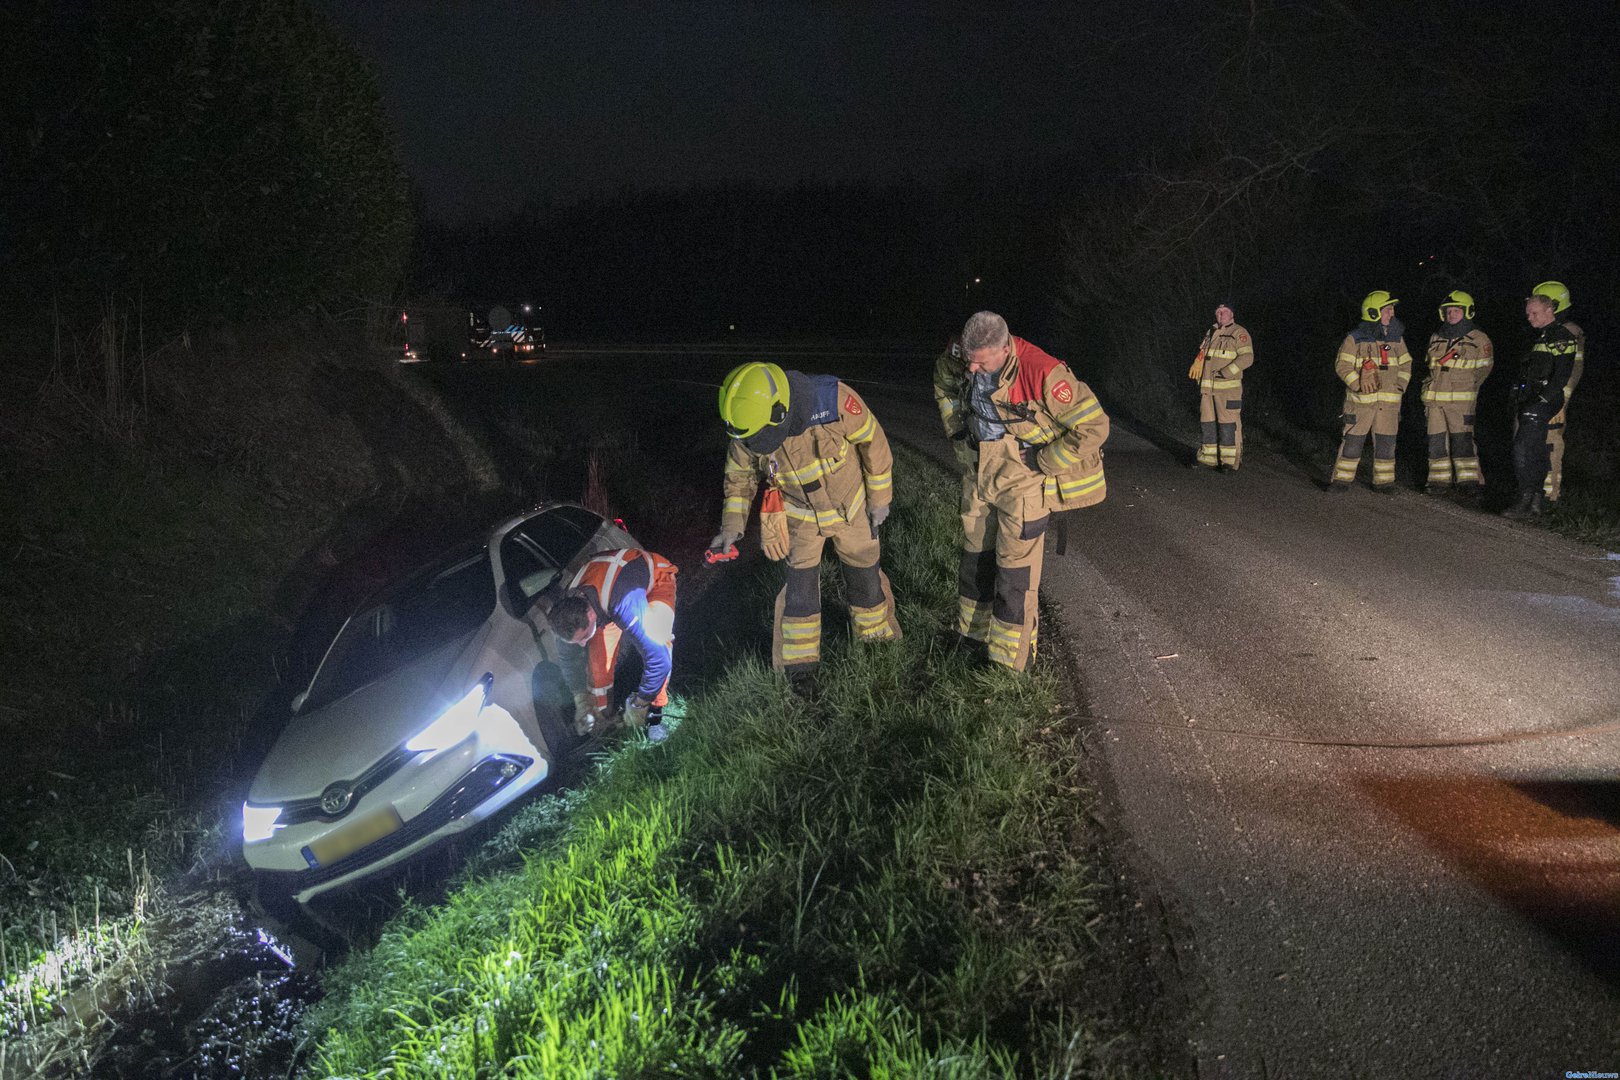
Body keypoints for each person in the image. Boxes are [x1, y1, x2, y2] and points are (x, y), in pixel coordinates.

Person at [711, 362, 900, 689]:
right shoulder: (747, 424)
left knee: (866, 578)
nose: (756, 444)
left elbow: (874, 442)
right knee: (799, 593)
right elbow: (739, 477)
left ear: (780, 412)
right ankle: (799, 672)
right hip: (799, 515)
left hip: (852, 507)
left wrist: (879, 499)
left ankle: (877, 643)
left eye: (762, 437)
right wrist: (731, 527)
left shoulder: (834, 401)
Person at [938, 311, 1108, 671]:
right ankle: (972, 639)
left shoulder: (1042, 372)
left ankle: (1009, 662)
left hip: (1024, 476)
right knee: (975, 561)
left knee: (1014, 574)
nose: (972, 369)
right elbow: (944, 381)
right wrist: (959, 435)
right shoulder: (962, 357)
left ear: (1005, 349)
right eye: (968, 360)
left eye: (981, 363)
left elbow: (1094, 426)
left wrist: (1046, 461)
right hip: (979, 470)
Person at [549, 548, 678, 739]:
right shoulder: (567, 614)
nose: (582, 645)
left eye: (583, 638)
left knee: (660, 641)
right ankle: (604, 719)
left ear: (591, 616)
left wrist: (640, 704)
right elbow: (568, 659)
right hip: (604, 597)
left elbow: (659, 660)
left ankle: (655, 718)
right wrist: (581, 700)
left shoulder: (624, 604)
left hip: (656, 581)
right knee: (598, 668)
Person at [1329, 291, 1412, 492]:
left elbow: (1406, 364)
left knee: (1386, 445)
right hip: (1360, 404)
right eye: (1387, 309)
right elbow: (1342, 366)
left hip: (1389, 406)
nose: (1392, 313)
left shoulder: (1397, 339)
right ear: (1373, 312)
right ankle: (1341, 482)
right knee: (1352, 443)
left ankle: (1384, 483)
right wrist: (1357, 384)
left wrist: (1400, 386)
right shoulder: (1354, 339)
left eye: (1392, 309)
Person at [1505, 292, 1578, 521]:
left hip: (1542, 402)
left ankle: (1527, 498)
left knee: (1523, 448)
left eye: (1534, 313)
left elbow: (1562, 375)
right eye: (1528, 313)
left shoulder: (1561, 336)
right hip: (1530, 399)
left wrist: (1542, 401)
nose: (1529, 317)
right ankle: (1535, 501)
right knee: (1533, 448)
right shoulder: (1540, 336)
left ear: (1549, 311)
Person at [1420, 290, 1493, 495]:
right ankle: (1438, 482)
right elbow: (1429, 366)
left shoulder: (1479, 338)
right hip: (1434, 401)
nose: (1451, 314)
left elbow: (1484, 369)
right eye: (1448, 311)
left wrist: (1467, 387)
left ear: (1467, 312)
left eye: (1456, 311)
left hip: (1461, 402)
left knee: (1463, 441)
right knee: (1436, 441)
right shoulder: (1436, 336)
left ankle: (1469, 483)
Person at [1530, 281, 1587, 504]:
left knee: (1550, 443)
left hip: (1555, 400)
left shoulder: (1568, 333)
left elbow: (1571, 372)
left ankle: (1549, 496)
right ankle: (1533, 493)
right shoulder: (1549, 332)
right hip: (1543, 398)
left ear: (1553, 306)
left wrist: (1559, 401)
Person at [1190, 302, 1256, 471]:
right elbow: (1204, 354)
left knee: (1228, 424)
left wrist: (1226, 372)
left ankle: (1229, 462)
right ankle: (1208, 458)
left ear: (1232, 314)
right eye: (1218, 312)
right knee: (1208, 423)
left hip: (1228, 390)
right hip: (1207, 389)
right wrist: (1198, 362)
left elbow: (1247, 358)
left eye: (1225, 311)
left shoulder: (1239, 332)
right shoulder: (1211, 332)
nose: (1221, 314)